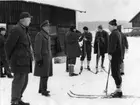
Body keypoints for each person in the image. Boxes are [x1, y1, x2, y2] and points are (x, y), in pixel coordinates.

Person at [5, 12, 33, 105]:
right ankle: (14, 101)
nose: (30, 21)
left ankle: (18, 98)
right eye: (29, 19)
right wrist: (10, 59)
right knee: (18, 81)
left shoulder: (24, 30)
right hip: (18, 61)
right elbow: (8, 45)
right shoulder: (17, 29)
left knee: (24, 82)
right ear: (23, 20)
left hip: (24, 61)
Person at [34, 20, 53, 96]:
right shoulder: (40, 35)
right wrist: (39, 59)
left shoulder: (46, 35)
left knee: (45, 74)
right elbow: (37, 49)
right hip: (43, 58)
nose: (48, 27)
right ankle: (43, 90)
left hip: (47, 57)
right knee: (44, 75)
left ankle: (41, 89)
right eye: (47, 26)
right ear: (43, 27)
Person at [108, 19, 123, 98]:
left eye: (109, 26)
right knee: (116, 72)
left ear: (114, 26)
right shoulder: (117, 33)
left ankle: (119, 91)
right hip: (117, 56)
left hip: (115, 56)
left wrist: (110, 53)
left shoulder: (114, 34)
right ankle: (118, 90)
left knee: (115, 73)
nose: (108, 27)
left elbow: (113, 45)